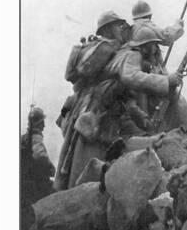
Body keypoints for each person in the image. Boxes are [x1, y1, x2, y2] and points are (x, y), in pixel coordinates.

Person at [54, 11, 130, 190]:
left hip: (82, 105)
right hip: (93, 108)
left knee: (72, 155)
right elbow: (87, 73)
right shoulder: (107, 47)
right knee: (87, 155)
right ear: (108, 29)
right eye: (117, 25)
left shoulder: (92, 46)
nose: (121, 29)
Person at [104, 25, 187, 135]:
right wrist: (167, 81)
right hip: (113, 102)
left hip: (119, 99)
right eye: (153, 44)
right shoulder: (133, 55)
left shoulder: (129, 53)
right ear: (146, 45)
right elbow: (132, 77)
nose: (155, 48)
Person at [20, 106, 55, 230]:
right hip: (37, 182)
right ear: (39, 123)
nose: (45, 125)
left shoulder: (23, 138)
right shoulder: (36, 137)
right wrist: (51, 168)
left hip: (25, 181)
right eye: (43, 122)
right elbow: (40, 156)